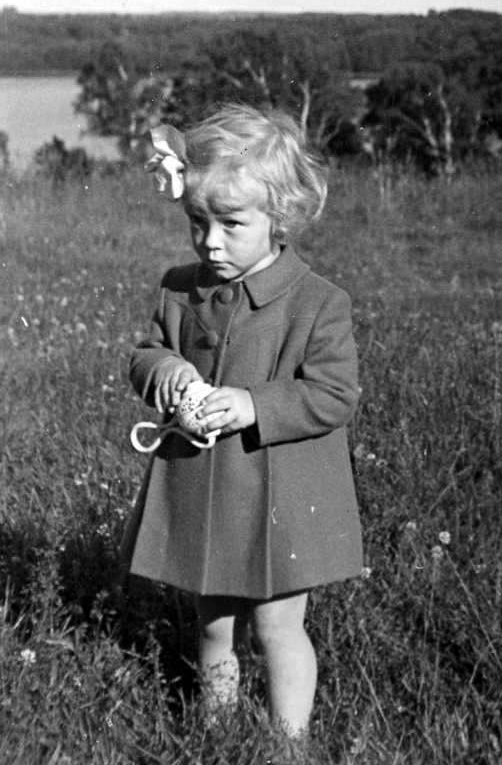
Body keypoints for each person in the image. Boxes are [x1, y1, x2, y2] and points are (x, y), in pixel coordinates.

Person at [121, 105, 363, 739]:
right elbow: (145, 354)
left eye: (231, 223)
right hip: (207, 494)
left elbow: (335, 394)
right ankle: (216, 729)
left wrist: (256, 405)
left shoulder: (317, 302)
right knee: (212, 624)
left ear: (279, 218)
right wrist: (166, 371)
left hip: (282, 498)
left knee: (278, 627)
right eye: (197, 221)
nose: (210, 241)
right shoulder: (179, 289)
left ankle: (289, 745)